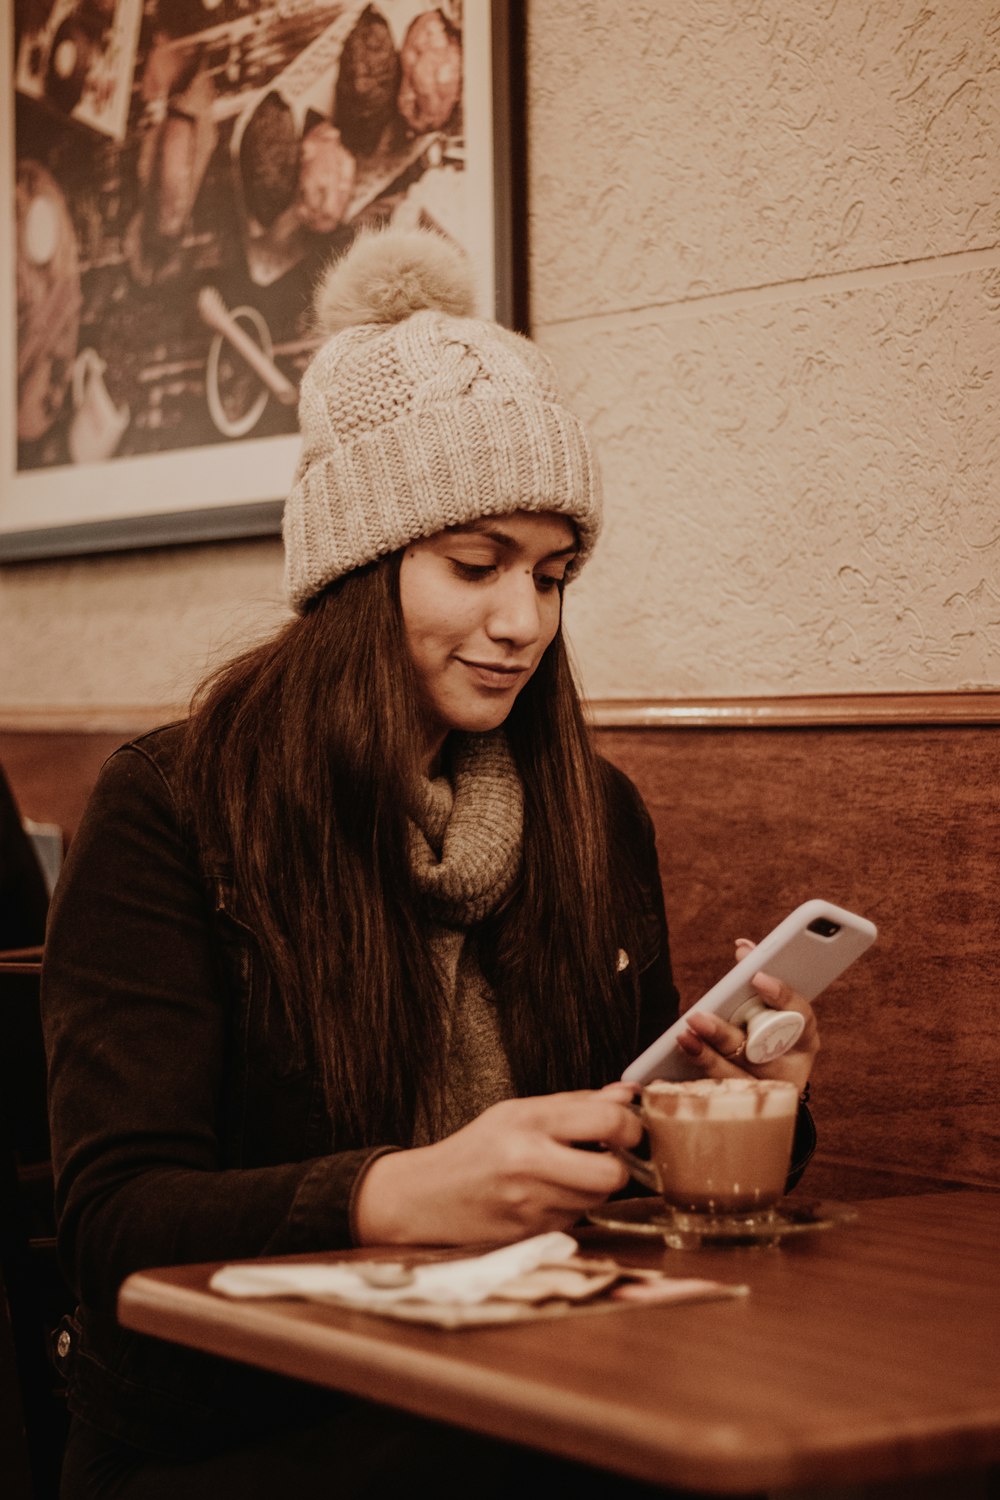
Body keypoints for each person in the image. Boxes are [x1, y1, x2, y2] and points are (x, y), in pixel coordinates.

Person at [42, 226, 818, 1499]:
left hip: (543, 1392)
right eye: (477, 565)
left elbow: (611, 1151)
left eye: (552, 575)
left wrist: (738, 1106)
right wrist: (396, 1195)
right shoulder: (175, 806)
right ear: (359, 569)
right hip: (249, 1432)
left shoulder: (592, 812)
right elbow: (115, 1228)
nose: (523, 622)